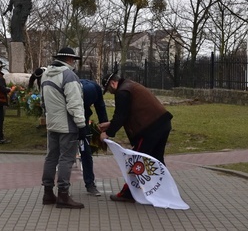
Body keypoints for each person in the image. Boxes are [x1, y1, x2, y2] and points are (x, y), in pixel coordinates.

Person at [99, 72, 173, 203]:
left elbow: (120, 115)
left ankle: (127, 194)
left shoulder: (122, 92)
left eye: (109, 90)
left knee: (137, 160)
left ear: (112, 83)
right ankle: (164, 191)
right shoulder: (130, 86)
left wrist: (108, 133)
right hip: (163, 123)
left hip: (150, 129)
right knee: (157, 160)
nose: (110, 93)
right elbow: (127, 113)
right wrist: (110, 124)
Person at [41, 47, 86, 209]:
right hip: (68, 125)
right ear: (68, 59)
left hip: (52, 123)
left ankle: (47, 193)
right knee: (66, 159)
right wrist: (81, 125)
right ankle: (63, 195)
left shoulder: (46, 74)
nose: (74, 62)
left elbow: (43, 101)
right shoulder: (69, 76)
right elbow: (75, 103)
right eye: (73, 59)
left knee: (51, 157)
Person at [79, 78, 109, 196]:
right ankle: (64, 187)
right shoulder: (73, 87)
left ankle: (90, 184)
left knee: (86, 151)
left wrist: (105, 129)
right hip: (69, 121)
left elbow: (100, 107)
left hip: (83, 121)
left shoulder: (95, 89)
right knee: (66, 154)